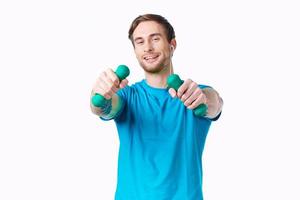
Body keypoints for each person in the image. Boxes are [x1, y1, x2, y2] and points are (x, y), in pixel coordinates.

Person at [90, 14, 223, 200]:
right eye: (140, 41)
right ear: (135, 50)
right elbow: (103, 108)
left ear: (172, 44)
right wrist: (99, 95)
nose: (148, 47)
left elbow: (215, 103)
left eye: (155, 38)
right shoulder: (127, 96)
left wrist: (205, 100)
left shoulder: (194, 93)